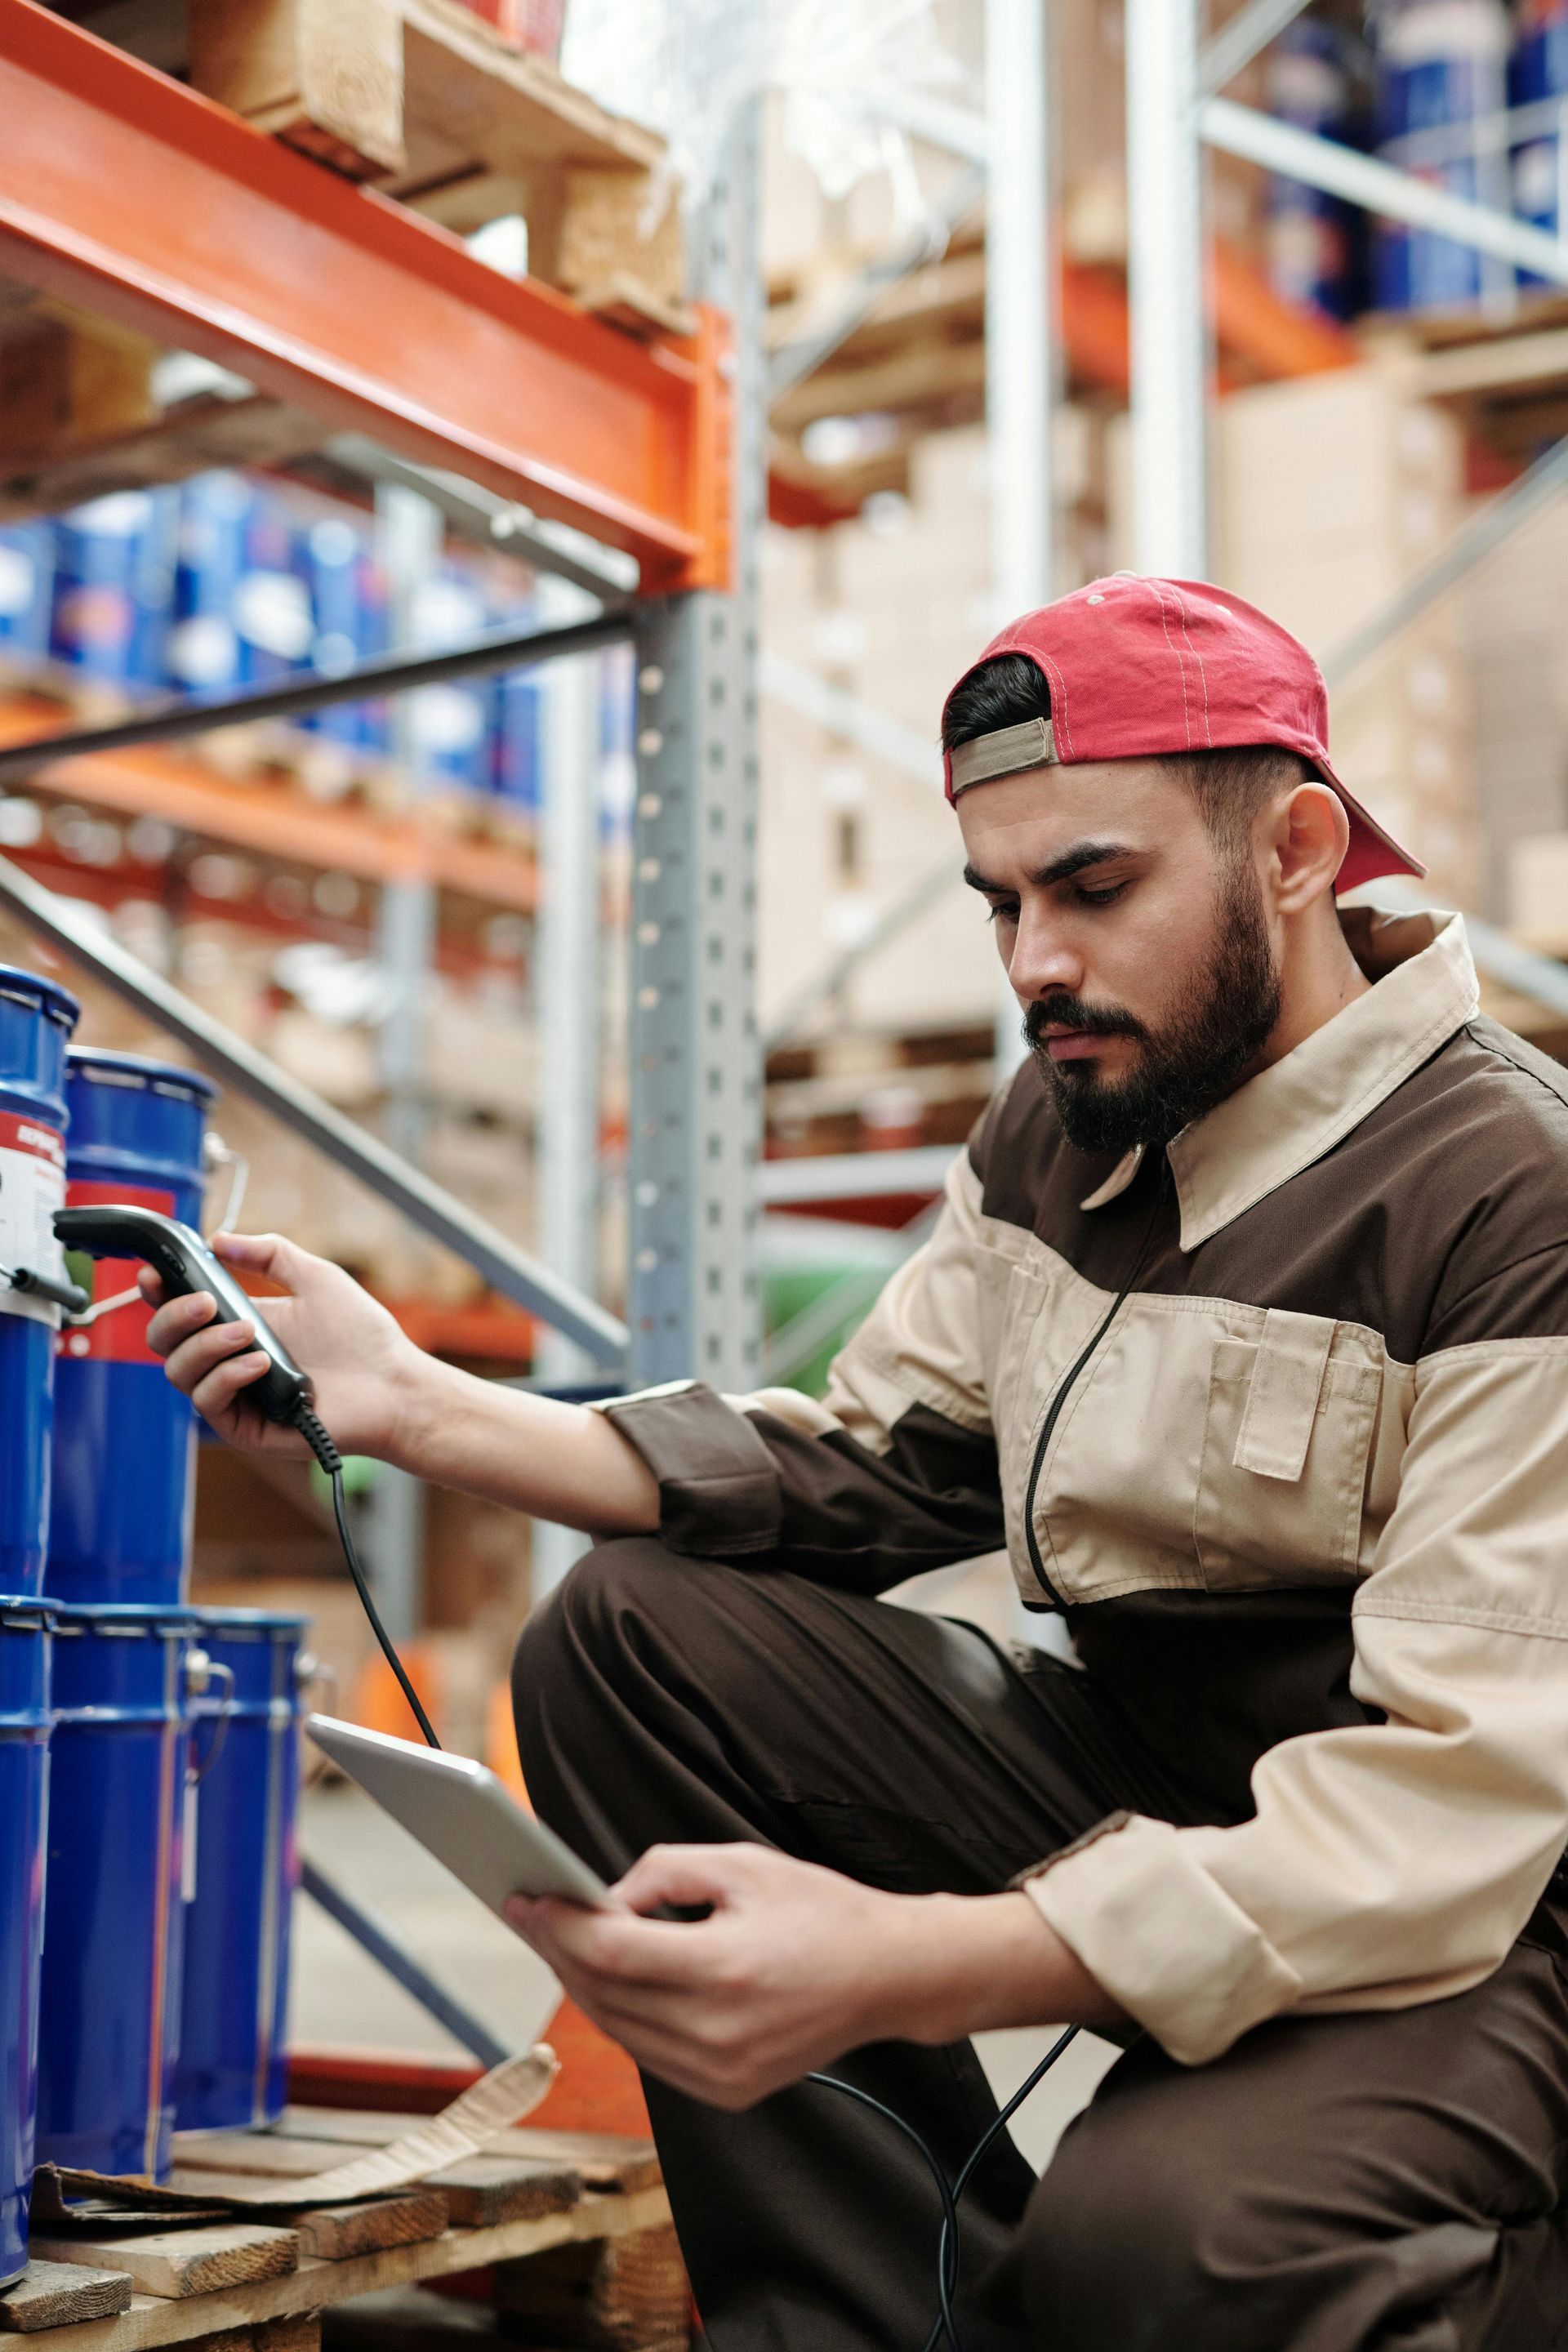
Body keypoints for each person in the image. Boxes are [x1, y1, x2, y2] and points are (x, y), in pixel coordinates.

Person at [148, 576, 1568, 2351]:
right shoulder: (1066, 1123)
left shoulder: (1512, 1192)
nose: (1037, 960)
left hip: (1478, 1915)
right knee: (627, 1638)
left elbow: (1454, 1816)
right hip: (1160, 1782)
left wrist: (898, 1963)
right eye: (1003, 903)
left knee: (1164, 2243)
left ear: (1294, 851)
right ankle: (869, 2322)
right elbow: (881, 1462)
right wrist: (423, 1409)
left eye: (1096, 887)